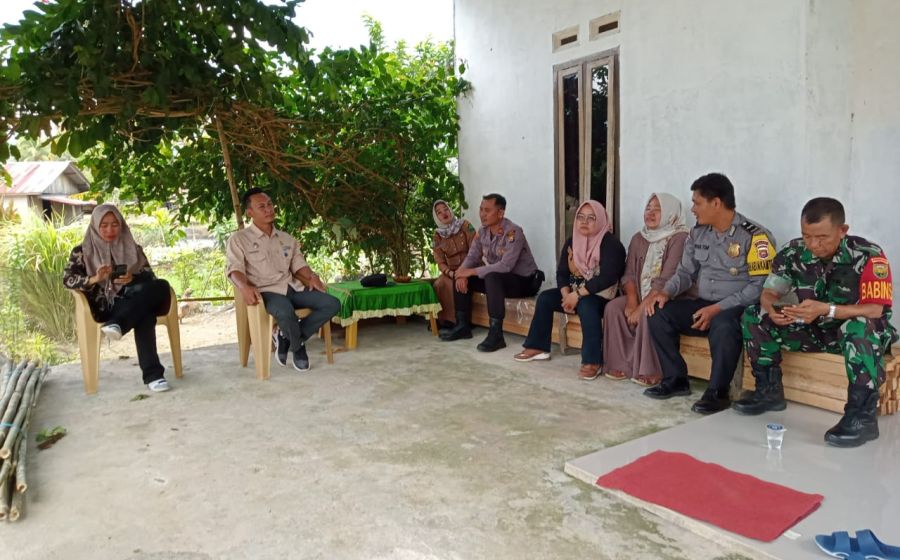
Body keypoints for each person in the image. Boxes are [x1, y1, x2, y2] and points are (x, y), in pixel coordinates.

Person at [738, 197, 897, 447]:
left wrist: (828, 310)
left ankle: (861, 418)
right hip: (814, 329)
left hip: (859, 337)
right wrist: (772, 309)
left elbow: (876, 309)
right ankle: (768, 392)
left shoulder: (869, 255)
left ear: (842, 230)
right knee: (754, 315)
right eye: (807, 236)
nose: (813, 244)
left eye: (822, 237)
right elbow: (769, 293)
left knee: (858, 325)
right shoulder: (793, 252)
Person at [643, 173, 775, 414]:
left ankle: (717, 392)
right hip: (704, 304)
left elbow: (758, 287)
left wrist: (717, 309)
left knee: (724, 325)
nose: (693, 209)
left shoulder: (756, 237)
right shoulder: (698, 233)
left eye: (697, 203)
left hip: (737, 308)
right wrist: (666, 293)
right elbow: (685, 272)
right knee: (658, 313)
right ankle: (675, 378)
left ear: (716, 203)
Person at [226, 188, 340, 372]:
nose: (268, 209)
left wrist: (311, 276)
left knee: (332, 303)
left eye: (270, 204)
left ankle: (287, 337)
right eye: (261, 206)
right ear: (250, 212)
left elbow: (298, 265)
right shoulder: (239, 239)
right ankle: (298, 349)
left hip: (292, 287)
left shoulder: (286, 238)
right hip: (266, 292)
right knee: (286, 312)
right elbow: (234, 269)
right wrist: (243, 286)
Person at [63, 204, 174, 392]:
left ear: (121, 225)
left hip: (132, 300)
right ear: (95, 225)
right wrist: (95, 278)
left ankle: (119, 325)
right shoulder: (81, 252)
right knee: (144, 313)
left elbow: (150, 278)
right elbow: (67, 280)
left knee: (161, 285)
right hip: (105, 306)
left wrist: (132, 278)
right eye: (104, 225)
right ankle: (154, 376)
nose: (110, 230)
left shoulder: (133, 248)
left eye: (115, 224)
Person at [513, 200, 625, 379]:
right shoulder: (572, 241)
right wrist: (566, 295)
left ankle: (593, 361)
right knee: (546, 298)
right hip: (575, 292)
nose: (584, 222)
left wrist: (576, 295)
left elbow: (607, 278)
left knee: (587, 306)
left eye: (591, 218)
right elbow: (562, 273)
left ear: (601, 220)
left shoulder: (612, 244)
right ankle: (538, 347)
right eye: (580, 217)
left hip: (601, 296)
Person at [602, 193, 689, 385]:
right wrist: (632, 301)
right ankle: (622, 364)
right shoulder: (639, 238)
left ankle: (652, 369)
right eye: (648, 208)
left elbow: (667, 278)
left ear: (671, 214)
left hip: (668, 297)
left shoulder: (680, 238)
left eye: (657, 209)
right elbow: (629, 274)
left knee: (650, 311)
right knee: (613, 308)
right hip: (640, 294)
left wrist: (641, 308)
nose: (650, 213)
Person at [440, 193, 544, 352]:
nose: (482, 214)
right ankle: (462, 326)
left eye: (487, 210)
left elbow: (505, 266)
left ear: (500, 213)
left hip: (525, 281)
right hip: (499, 281)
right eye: (481, 209)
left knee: (491, 276)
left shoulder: (514, 232)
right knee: (460, 273)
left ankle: (496, 335)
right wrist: (461, 273)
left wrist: (471, 271)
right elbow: (472, 256)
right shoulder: (482, 232)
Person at [431, 200, 476, 330]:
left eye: (445, 209)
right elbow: (439, 261)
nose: (444, 213)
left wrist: (464, 271)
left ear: (450, 210)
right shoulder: (437, 236)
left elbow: (475, 250)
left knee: (456, 284)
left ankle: (460, 322)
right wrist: (450, 273)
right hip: (452, 271)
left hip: (470, 267)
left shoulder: (465, 225)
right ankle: (445, 320)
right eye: (439, 212)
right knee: (439, 284)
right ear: (436, 217)